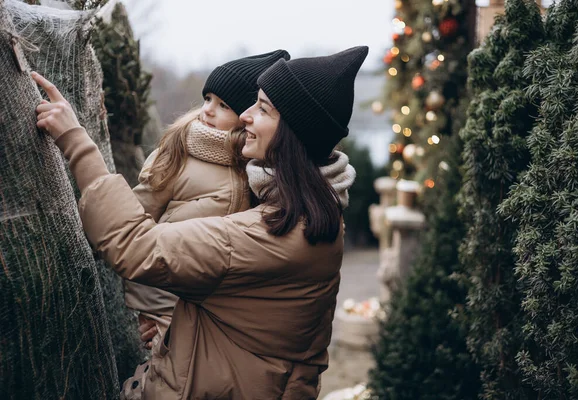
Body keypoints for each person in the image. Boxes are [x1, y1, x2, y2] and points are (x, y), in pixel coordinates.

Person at [32, 45, 367, 399]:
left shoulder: (269, 233)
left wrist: (76, 140)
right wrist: (176, 328)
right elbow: (236, 314)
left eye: (263, 109)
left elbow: (136, 246)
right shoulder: (316, 213)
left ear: (294, 134)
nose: (246, 116)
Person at [126, 50, 290, 353]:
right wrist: (155, 314)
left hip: (217, 318)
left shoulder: (259, 170)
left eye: (223, 104)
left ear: (246, 116)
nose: (208, 110)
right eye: (208, 99)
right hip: (161, 308)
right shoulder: (176, 151)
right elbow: (135, 225)